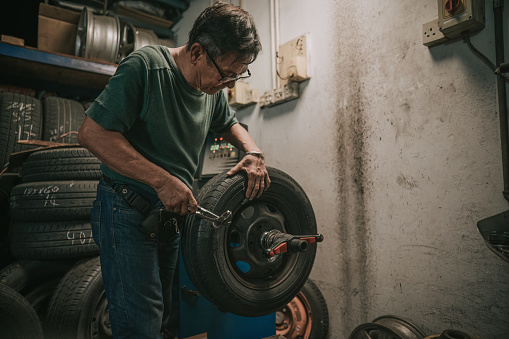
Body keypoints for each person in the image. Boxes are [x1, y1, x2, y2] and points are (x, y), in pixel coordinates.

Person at [77, 2, 270, 338]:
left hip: (168, 215)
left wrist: (252, 151)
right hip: (126, 211)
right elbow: (92, 134)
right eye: (225, 73)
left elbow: (229, 122)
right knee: (141, 324)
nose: (228, 83)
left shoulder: (210, 88)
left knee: (165, 316)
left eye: (238, 76)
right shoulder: (146, 68)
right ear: (196, 52)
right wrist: (162, 180)